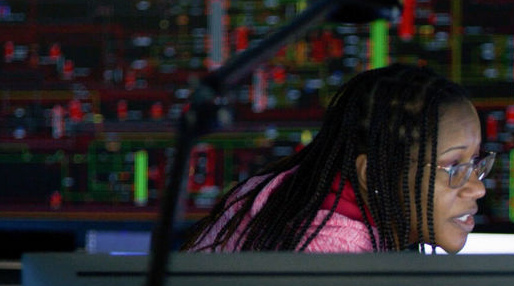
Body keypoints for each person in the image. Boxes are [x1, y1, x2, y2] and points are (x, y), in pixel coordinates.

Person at [181, 64, 493, 253]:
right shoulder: (334, 260)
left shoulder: (295, 193)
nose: (477, 189)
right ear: (375, 176)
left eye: (476, 163)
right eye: (454, 167)